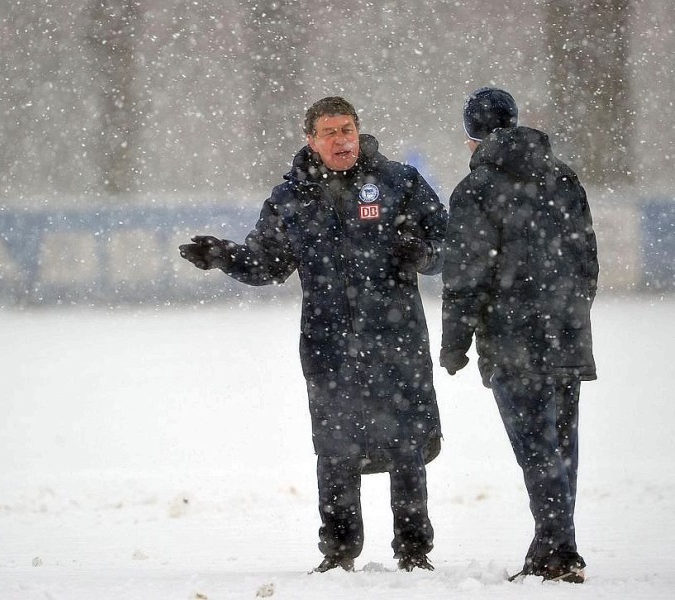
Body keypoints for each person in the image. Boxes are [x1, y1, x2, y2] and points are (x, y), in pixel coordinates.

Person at [179, 97, 448, 573]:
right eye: (330, 132)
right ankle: (339, 553)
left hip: (397, 341)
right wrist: (223, 255)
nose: (341, 140)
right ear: (311, 140)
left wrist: (423, 254)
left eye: (347, 129)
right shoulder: (291, 199)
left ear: (359, 131)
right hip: (329, 345)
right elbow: (266, 264)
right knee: (336, 452)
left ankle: (414, 551)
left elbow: (451, 247)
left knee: (407, 446)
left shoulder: (398, 183)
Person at [440, 87, 599, 583]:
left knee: (535, 447)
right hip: (567, 333)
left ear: (472, 137)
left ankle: (556, 553)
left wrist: (454, 342)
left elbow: (465, 275)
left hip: (513, 340)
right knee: (562, 445)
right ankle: (557, 545)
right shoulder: (563, 176)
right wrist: (570, 310)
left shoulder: (477, 189)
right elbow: (587, 259)